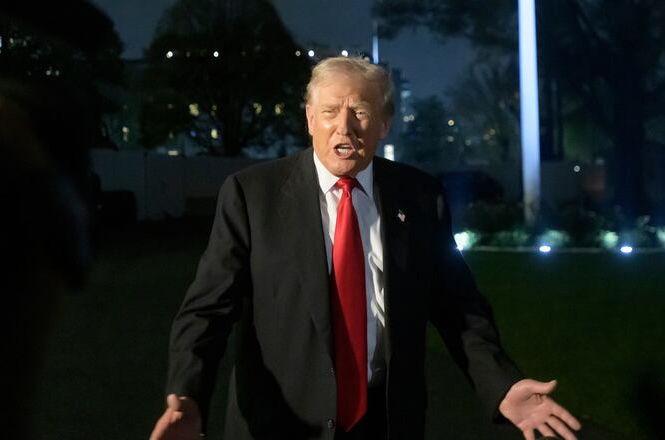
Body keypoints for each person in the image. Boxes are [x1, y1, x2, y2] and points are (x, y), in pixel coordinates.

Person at [150, 56, 581, 440]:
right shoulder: (252, 195)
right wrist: (187, 394)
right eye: (330, 112)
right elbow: (207, 310)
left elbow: (458, 308)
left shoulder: (420, 197)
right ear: (309, 119)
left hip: (386, 423)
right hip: (280, 424)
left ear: (384, 124)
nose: (345, 126)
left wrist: (501, 384)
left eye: (359, 111)